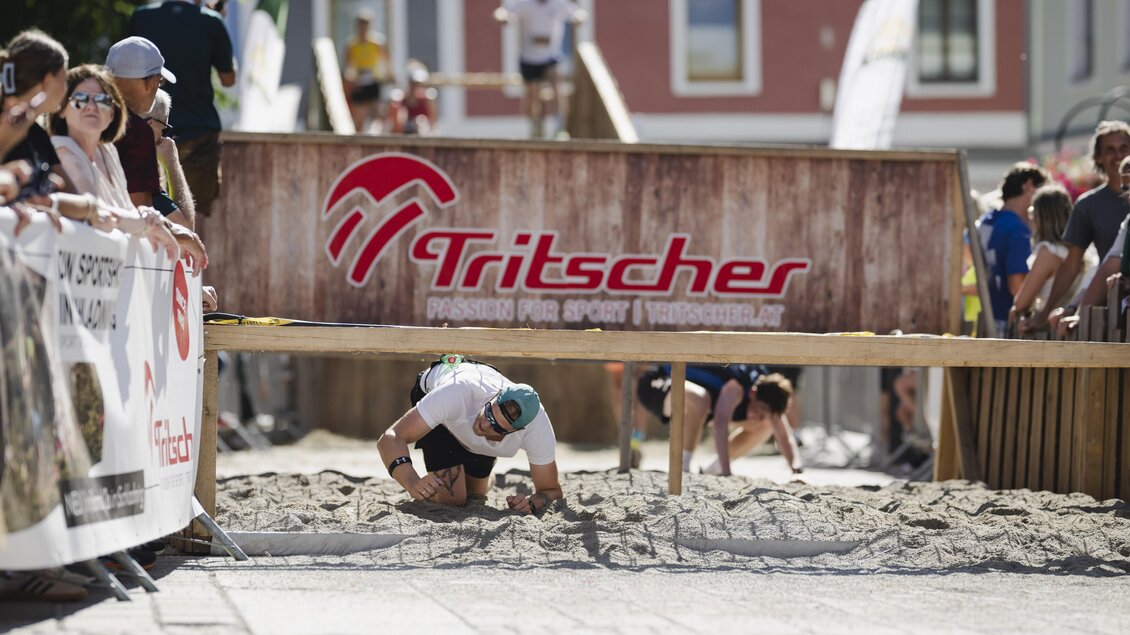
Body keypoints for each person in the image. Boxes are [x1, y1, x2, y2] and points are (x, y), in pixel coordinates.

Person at [48, 64, 206, 272]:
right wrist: (155, 223)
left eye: (102, 101)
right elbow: (98, 213)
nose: (91, 106)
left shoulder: (108, 152)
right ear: (62, 108)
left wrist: (155, 222)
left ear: (112, 113)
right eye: (81, 99)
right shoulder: (62, 150)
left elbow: (127, 213)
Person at [377, 355, 562, 515]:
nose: (484, 424)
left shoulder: (538, 429)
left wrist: (530, 504)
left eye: (496, 427)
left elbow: (551, 490)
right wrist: (413, 483)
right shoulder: (454, 393)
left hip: (468, 421)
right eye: (489, 412)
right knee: (453, 500)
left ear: (517, 432)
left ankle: (483, 477)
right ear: (495, 396)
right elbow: (390, 438)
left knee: (476, 495)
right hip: (446, 403)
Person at [131, 0, 237, 218]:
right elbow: (228, 79)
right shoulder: (210, 21)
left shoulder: (141, 17)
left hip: (147, 131)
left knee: (143, 209)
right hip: (198, 134)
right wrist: (216, 24)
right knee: (192, 216)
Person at [1029, 121, 1130, 332]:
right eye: (1110, 150)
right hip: (1105, 306)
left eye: (1124, 148)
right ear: (1098, 157)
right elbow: (1075, 264)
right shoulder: (1087, 206)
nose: (1118, 155)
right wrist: (1051, 310)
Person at [637, 364, 801, 476]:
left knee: (766, 426)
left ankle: (711, 471)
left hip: (691, 400)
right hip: (658, 382)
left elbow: (784, 434)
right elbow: (720, 424)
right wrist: (727, 471)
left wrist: (796, 471)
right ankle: (684, 467)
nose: (758, 417)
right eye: (760, 410)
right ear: (752, 393)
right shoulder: (736, 387)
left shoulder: (766, 395)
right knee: (701, 398)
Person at [493, 0, 587, 139]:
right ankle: (536, 126)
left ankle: (559, 127)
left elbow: (578, 13)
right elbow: (503, 11)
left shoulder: (557, 4)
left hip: (550, 56)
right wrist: (501, 17)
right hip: (528, 57)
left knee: (556, 86)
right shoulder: (525, 3)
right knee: (532, 95)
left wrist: (578, 18)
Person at [0, 30, 77, 195]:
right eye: (64, 81)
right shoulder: (10, 127)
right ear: (47, 82)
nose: (66, 90)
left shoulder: (38, 134)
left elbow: (72, 193)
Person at [1012, 184, 1096, 334]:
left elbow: (1021, 303)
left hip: (1049, 329)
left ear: (1041, 217)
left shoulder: (1048, 252)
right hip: (1073, 327)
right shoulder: (1080, 251)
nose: (1030, 219)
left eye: (1032, 212)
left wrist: (1018, 310)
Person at [975, 162, 1048, 335]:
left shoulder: (987, 221)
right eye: (1041, 192)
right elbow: (1016, 286)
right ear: (1029, 186)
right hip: (1010, 326)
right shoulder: (1018, 230)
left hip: (988, 318)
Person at [145, 88, 195, 229]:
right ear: (150, 125)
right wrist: (172, 162)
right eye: (164, 130)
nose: (164, 138)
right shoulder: (140, 172)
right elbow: (186, 227)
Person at [342, 9, 391, 134]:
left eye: (366, 24)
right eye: (361, 24)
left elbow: (386, 62)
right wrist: (349, 78)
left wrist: (389, 75)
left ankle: (375, 140)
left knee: (377, 116)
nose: (363, 27)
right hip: (359, 82)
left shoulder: (377, 43)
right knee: (359, 118)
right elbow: (347, 65)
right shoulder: (352, 45)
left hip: (374, 81)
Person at [387, 62, 438, 136]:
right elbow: (395, 124)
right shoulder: (399, 100)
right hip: (402, 134)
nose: (415, 87)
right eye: (412, 83)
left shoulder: (427, 100)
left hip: (422, 135)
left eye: (418, 84)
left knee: (421, 122)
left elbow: (433, 124)